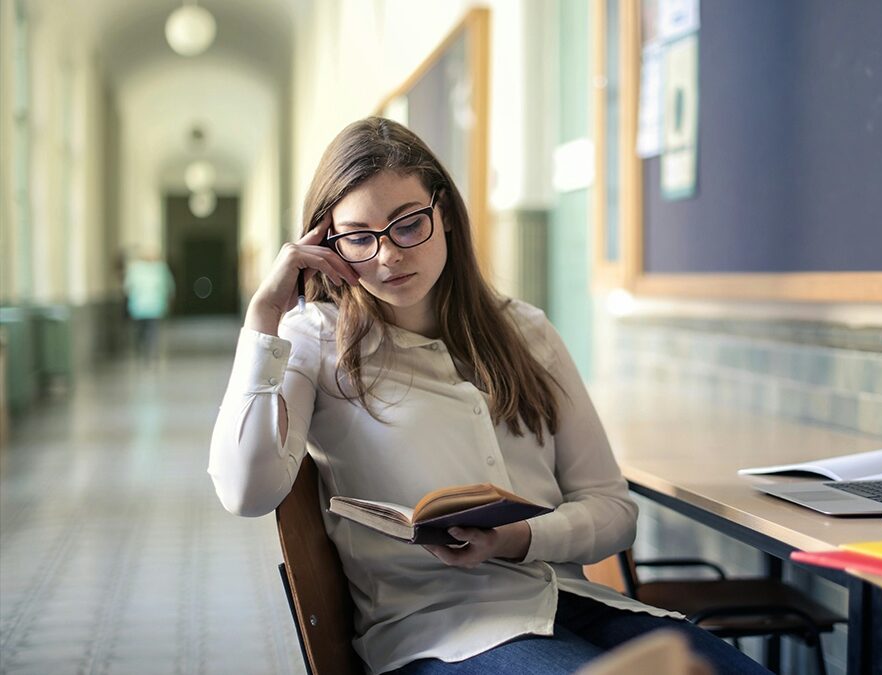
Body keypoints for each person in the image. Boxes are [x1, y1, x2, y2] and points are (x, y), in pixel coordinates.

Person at [208, 117, 769, 675]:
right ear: (327, 245)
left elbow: (614, 514)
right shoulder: (315, 339)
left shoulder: (525, 331)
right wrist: (264, 319)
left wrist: (517, 538)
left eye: (407, 225)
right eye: (358, 237)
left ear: (445, 213)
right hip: (440, 633)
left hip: (576, 605)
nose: (387, 256)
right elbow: (247, 492)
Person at [123, 247, 175, 363]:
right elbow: (170, 286)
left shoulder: (135, 269)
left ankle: (143, 349)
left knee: (142, 330)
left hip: (139, 307)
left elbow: (127, 287)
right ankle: (150, 350)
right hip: (154, 306)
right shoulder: (160, 269)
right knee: (152, 330)